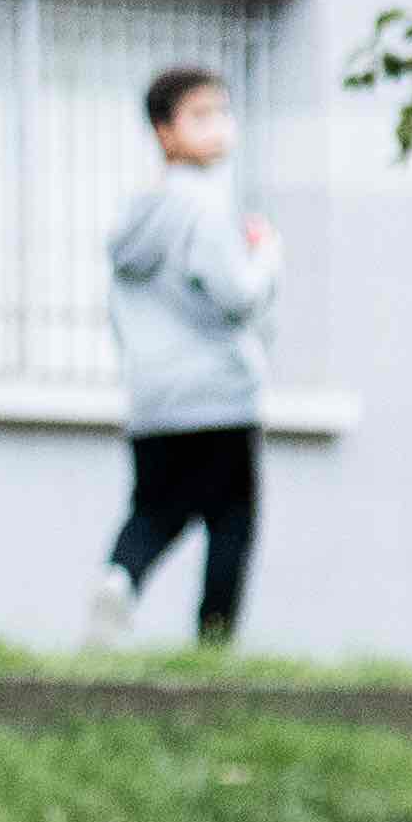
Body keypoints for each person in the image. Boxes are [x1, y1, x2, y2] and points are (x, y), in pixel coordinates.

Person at [100, 56, 285, 645]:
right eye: (200, 115)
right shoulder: (205, 206)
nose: (219, 126)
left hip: (153, 397)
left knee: (154, 511)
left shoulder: (135, 216)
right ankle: (213, 645)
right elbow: (238, 296)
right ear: (165, 131)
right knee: (232, 521)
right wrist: (266, 257)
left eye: (224, 112)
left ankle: (119, 580)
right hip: (219, 395)